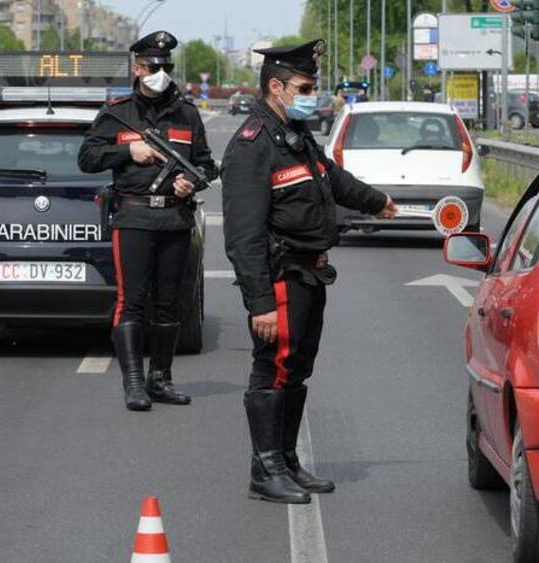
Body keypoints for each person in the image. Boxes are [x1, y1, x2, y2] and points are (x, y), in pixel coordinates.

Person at [221, 39, 398, 504]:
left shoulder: (296, 136)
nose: (312, 93)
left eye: (313, 85)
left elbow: (332, 178)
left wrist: (376, 201)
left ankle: (287, 460)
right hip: (281, 275)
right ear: (275, 86)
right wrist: (259, 302)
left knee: (296, 369)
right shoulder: (252, 146)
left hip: (311, 275)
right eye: (304, 85)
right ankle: (266, 469)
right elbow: (243, 237)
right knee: (273, 368)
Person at [78, 31, 218, 412]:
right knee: (133, 301)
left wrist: (194, 180)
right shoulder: (117, 112)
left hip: (175, 216)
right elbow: (88, 158)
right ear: (137, 69)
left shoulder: (186, 113)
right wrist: (128, 151)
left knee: (170, 303)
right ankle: (134, 383)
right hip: (134, 215)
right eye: (153, 66)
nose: (160, 73)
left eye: (166, 67)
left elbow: (206, 163)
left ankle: (161, 379)